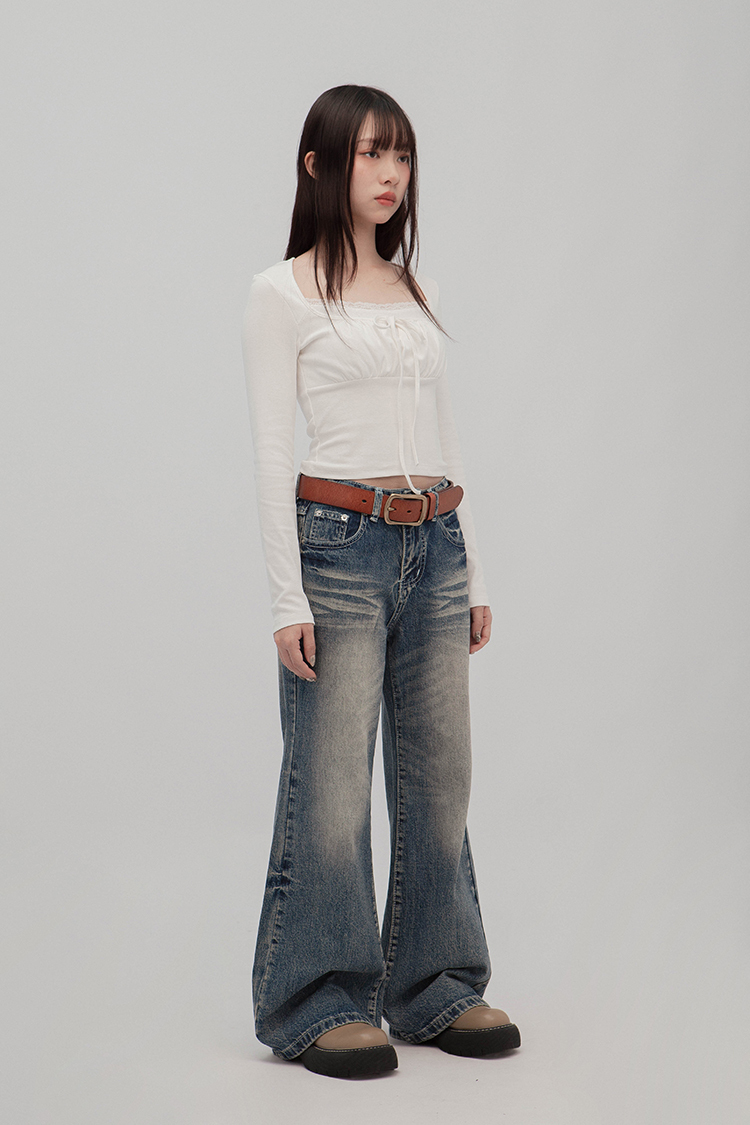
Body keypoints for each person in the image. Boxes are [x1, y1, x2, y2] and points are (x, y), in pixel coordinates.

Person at [241, 84, 521, 1079]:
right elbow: (272, 454)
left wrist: (472, 568)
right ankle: (315, 1000)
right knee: (331, 787)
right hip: (339, 547)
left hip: (434, 543)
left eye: (401, 154)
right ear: (319, 165)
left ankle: (435, 986)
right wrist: (287, 598)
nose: (391, 172)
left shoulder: (416, 289)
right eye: (370, 153)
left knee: (440, 778)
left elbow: (446, 436)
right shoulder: (281, 293)